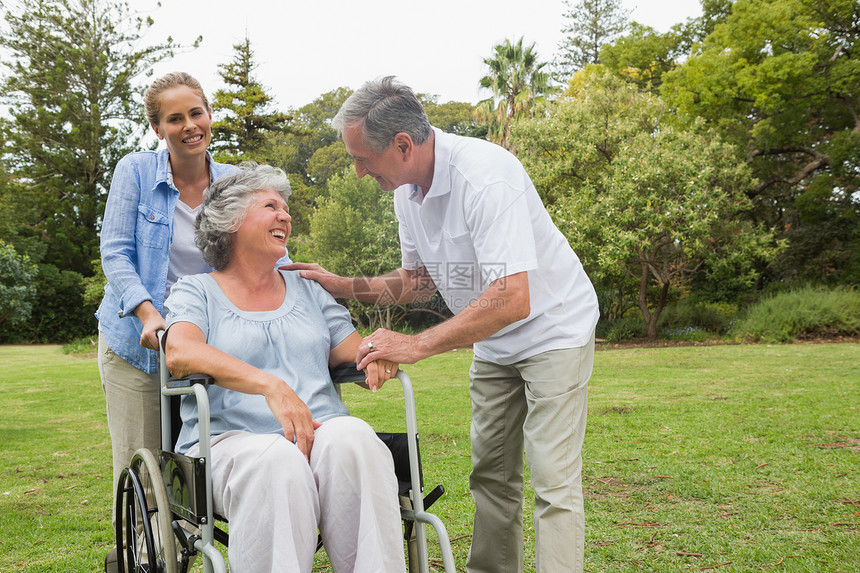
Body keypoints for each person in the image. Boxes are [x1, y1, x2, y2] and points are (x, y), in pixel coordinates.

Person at [283, 76, 599, 573]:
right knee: (492, 475)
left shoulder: (486, 176)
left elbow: (514, 297)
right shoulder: (407, 191)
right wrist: (342, 284)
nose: (360, 172)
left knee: (553, 480)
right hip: (492, 341)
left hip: (552, 330)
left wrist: (416, 345)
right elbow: (418, 283)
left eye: (362, 159)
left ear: (403, 145)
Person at [163, 162, 405, 572]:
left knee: (356, 439)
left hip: (319, 431)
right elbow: (181, 353)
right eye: (270, 206)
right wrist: (269, 386)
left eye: (286, 208)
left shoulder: (309, 288)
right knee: (276, 460)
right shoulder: (196, 291)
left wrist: (378, 351)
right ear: (231, 221)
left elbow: (351, 349)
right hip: (231, 442)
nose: (285, 215)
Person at [96, 72, 288, 571]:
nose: (189, 125)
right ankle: (140, 556)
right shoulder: (136, 172)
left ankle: (190, 550)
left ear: (209, 115)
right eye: (174, 118)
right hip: (138, 345)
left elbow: (259, 248)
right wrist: (147, 311)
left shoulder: (232, 184)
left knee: (197, 468)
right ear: (158, 128)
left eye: (196, 113)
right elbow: (116, 253)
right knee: (146, 474)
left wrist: (302, 282)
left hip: (206, 346)